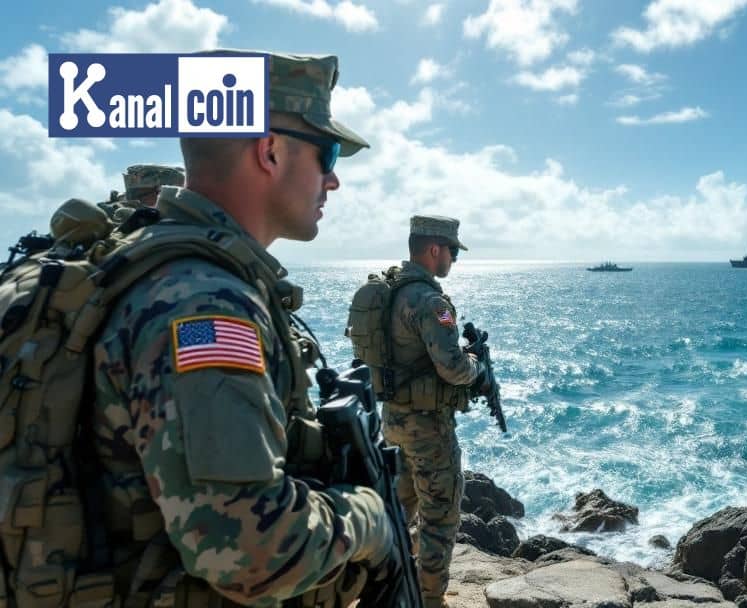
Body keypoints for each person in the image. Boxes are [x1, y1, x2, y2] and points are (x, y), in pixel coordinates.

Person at [91, 51, 393, 607]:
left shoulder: (147, 265)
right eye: (326, 154)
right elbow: (253, 551)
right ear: (269, 150)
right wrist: (369, 519)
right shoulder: (205, 304)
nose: (333, 179)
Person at [381, 215, 486, 608]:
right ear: (434, 249)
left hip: (393, 421)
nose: (454, 259)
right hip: (427, 427)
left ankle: (387, 587)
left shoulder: (390, 290)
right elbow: (453, 368)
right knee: (440, 514)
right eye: (453, 251)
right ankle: (429, 599)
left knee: (397, 509)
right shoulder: (429, 301)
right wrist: (475, 364)